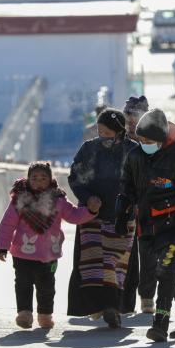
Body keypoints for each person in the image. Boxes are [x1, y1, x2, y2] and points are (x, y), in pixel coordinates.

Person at [115, 109, 175, 342]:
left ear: (162, 140)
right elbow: (127, 188)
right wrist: (121, 214)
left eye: (149, 141)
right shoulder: (135, 157)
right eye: (141, 140)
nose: (144, 144)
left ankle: (160, 323)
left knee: (164, 269)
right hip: (146, 225)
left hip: (173, 226)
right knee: (171, 270)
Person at [0, 162, 101, 329]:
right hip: (22, 254)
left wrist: (90, 211)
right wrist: (2, 246)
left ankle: (45, 315)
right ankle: (24, 314)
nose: (38, 181)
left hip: (49, 254)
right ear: (28, 179)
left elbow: (73, 215)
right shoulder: (20, 199)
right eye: (34, 178)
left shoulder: (58, 200)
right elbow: (8, 224)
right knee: (23, 284)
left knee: (47, 287)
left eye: (43, 178)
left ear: (51, 179)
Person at [67, 108, 138, 328]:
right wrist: (88, 198)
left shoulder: (133, 151)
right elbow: (75, 177)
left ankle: (113, 306)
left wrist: (131, 202)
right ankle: (102, 307)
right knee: (93, 264)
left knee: (115, 263)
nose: (102, 136)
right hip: (92, 217)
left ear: (119, 131)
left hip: (122, 217)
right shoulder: (88, 149)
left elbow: (141, 181)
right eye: (100, 131)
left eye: (107, 132)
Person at [121, 95, 154, 315]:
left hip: (150, 206)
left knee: (149, 254)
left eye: (136, 116)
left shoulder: (154, 140)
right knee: (127, 255)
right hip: (125, 205)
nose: (132, 121)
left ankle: (147, 298)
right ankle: (125, 301)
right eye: (128, 117)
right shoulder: (118, 140)